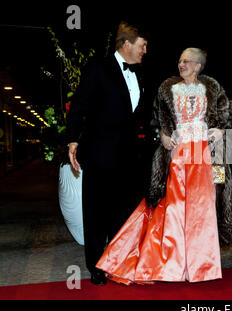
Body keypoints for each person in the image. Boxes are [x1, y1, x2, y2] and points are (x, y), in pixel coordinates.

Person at [96, 48, 232, 284]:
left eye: (186, 61)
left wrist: (221, 130)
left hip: (205, 154)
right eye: (179, 60)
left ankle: (202, 267)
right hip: (178, 154)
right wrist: (162, 134)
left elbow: (225, 115)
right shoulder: (167, 89)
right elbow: (154, 119)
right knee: (175, 207)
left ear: (198, 66)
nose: (181, 64)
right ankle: (174, 265)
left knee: (203, 209)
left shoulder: (212, 88)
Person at [66, 21, 150, 285]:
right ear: (126, 44)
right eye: (142, 45)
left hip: (130, 156)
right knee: (97, 211)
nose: (145, 50)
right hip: (100, 153)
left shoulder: (141, 73)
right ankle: (96, 266)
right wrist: (72, 141)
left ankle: (118, 261)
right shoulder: (98, 69)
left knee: (123, 210)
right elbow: (78, 105)